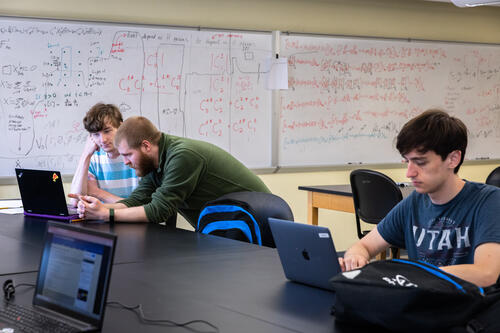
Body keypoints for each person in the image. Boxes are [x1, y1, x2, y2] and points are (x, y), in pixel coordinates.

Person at [339, 109, 500, 287]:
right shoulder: (414, 203)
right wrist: (355, 257)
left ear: (453, 159)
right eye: (407, 161)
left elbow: (486, 273)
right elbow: (364, 246)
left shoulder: (489, 201)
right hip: (424, 304)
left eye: (421, 162)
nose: (409, 173)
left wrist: (412, 275)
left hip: (468, 308)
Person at [72, 116, 270, 227]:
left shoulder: (183, 156)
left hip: (257, 222)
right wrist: (100, 209)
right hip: (231, 225)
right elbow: (137, 200)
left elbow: (159, 211)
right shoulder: (154, 162)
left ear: (146, 146)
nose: (126, 162)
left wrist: (106, 215)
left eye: (128, 155)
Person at [70, 103, 139, 207]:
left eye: (107, 131)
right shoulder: (93, 159)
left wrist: (97, 192)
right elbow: (75, 202)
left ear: (121, 127)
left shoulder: (137, 156)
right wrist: (86, 155)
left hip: (134, 221)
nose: (103, 140)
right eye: (96, 134)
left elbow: (143, 207)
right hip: (102, 220)